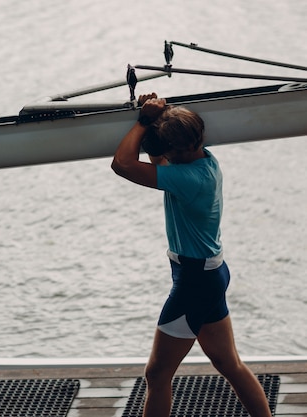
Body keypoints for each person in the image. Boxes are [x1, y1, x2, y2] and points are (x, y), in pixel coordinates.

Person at [111, 93, 272, 417]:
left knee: (157, 375)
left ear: (179, 149)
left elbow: (122, 164)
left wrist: (143, 122)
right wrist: (160, 117)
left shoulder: (186, 179)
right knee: (230, 364)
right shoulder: (205, 162)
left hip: (194, 283)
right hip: (212, 274)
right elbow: (161, 162)